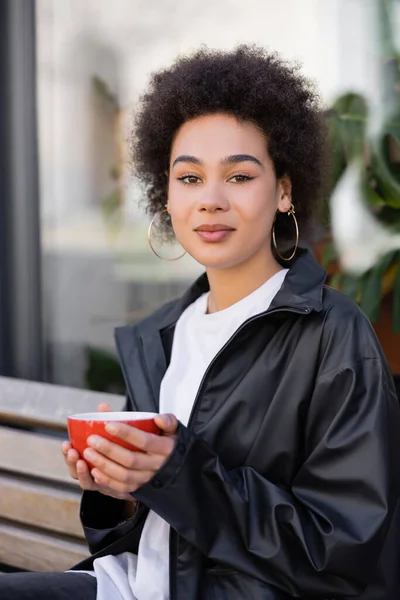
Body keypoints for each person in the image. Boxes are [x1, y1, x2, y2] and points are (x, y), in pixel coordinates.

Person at [1, 45, 399, 600]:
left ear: (284, 189)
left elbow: (341, 553)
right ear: (165, 194)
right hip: (130, 585)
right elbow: (145, 530)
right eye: (189, 178)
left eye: (239, 176)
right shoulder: (162, 334)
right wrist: (118, 487)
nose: (209, 201)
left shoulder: (333, 335)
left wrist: (176, 473)